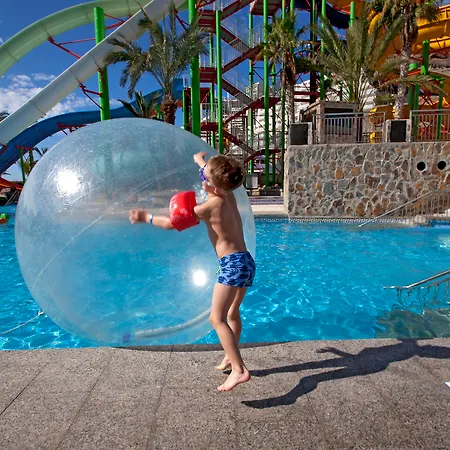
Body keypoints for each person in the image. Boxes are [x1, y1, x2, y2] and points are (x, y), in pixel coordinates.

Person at [129, 152, 255, 391]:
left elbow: (172, 223)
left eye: (204, 178)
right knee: (232, 313)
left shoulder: (209, 207)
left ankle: (239, 370)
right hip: (246, 261)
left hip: (231, 265)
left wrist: (145, 216)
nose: (202, 179)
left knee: (216, 318)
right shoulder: (228, 194)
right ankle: (231, 356)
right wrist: (200, 161)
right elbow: (211, 173)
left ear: (214, 187)